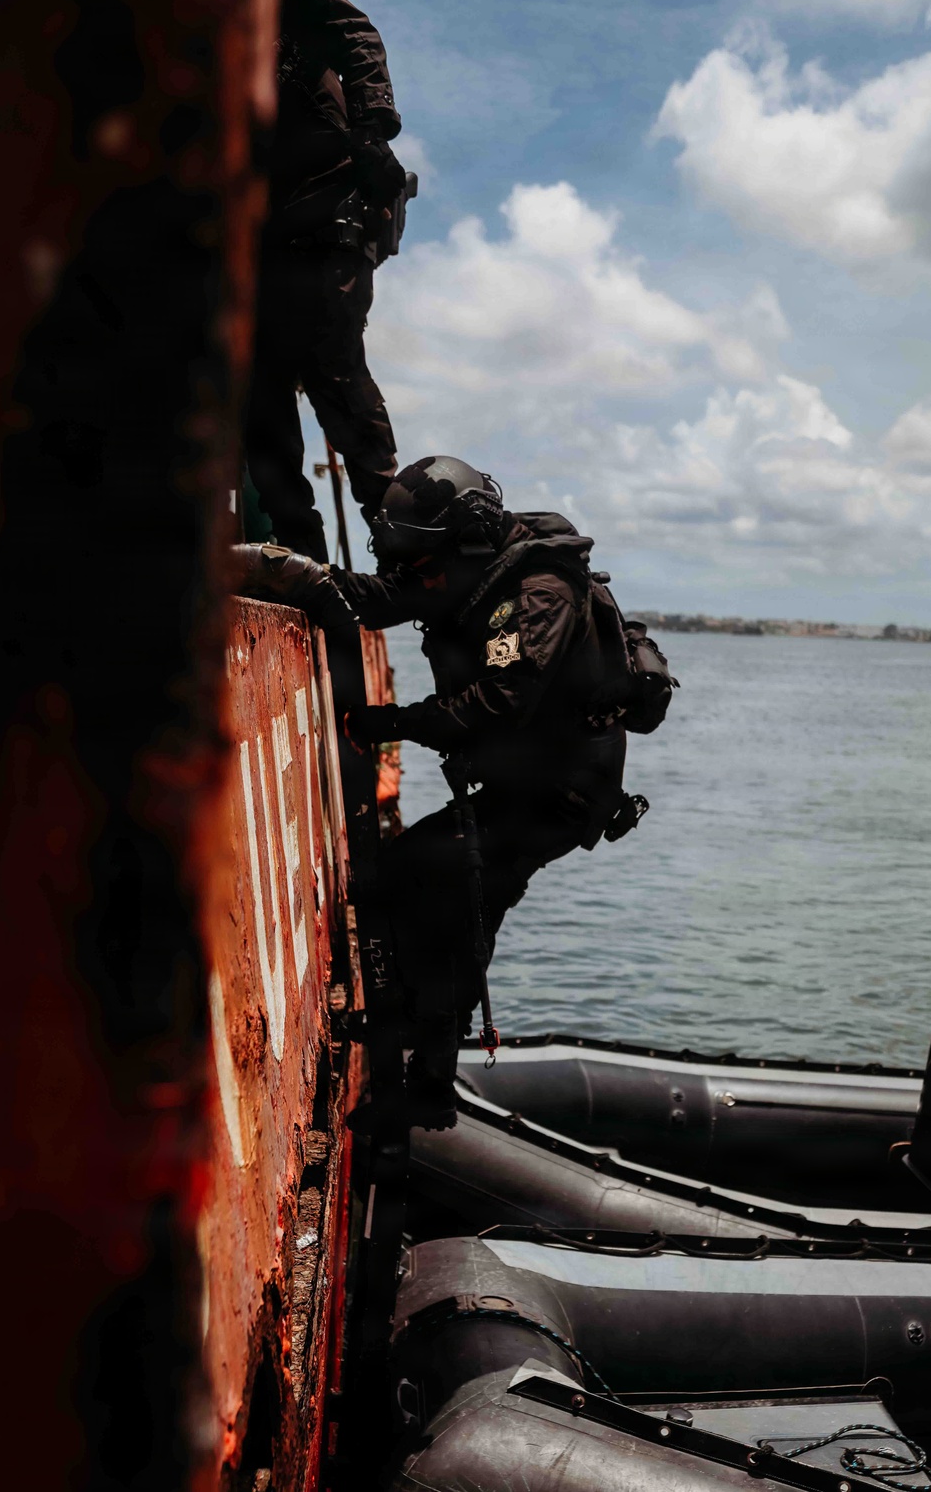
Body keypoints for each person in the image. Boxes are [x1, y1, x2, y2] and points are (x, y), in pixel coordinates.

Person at [232, 456, 635, 1130]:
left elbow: (502, 700)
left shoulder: (538, 594)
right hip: (519, 786)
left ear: (463, 543)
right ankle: (423, 1075)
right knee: (444, 901)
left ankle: (420, 1075)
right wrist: (279, 570)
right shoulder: (460, 571)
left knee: (425, 884)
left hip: (558, 796)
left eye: (423, 564)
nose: (418, 577)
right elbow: (377, 598)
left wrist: (393, 723)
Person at [245, 0, 406, 560]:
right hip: (257, 240)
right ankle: (298, 561)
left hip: (327, 219)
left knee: (337, 379)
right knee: (260, 405)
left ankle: (406, 555)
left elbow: (355, 33)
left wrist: (371, 130)